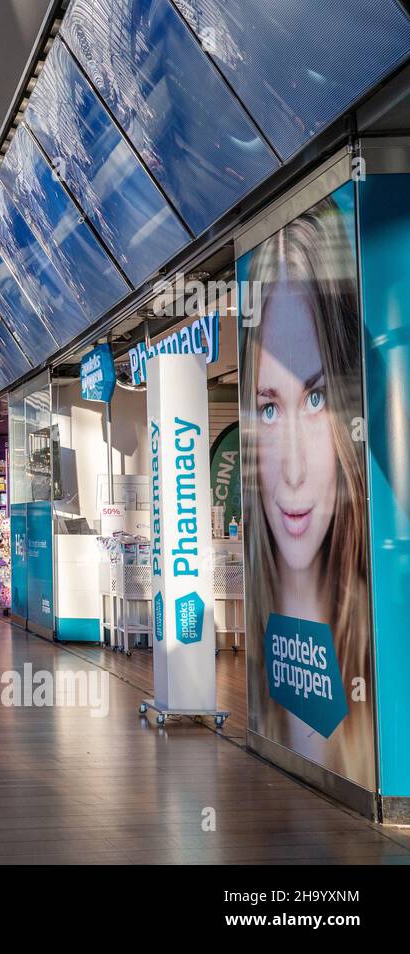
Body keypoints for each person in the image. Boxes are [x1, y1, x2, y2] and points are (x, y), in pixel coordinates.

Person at [241, 192, 372, 787]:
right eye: (269, 409)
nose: (292, 472)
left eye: (315, 400)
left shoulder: (381, 651)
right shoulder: (265, 672)